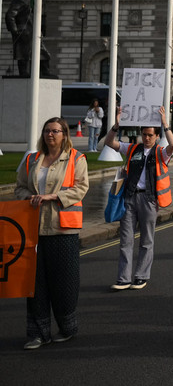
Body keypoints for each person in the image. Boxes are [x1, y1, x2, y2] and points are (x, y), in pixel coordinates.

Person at [14, 118, 89, 350]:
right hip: (34, 229)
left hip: (63, 228)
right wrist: (28, 197)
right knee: (35, 284)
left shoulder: (76, 158)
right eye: (47, 131)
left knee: (64, 282)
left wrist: (53, 197)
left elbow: (81, 187)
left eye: (55, 131)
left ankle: (66, 328)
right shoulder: (31, 159)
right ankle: (38, 333)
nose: (50, 135)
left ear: (65, 134)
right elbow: (19, 187)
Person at [104, 106, 173, 291]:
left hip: (149, 200)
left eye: (150, 135)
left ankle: (141, 276)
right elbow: (109, 143)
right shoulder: (133, 148)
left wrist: (165, 124)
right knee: (125, 240)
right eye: (144, 134)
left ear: (156, 136)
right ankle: (123, 278)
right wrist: (117, 125)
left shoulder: (161, 153)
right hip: (129, 199)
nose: (146, 138)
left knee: (146, 240)